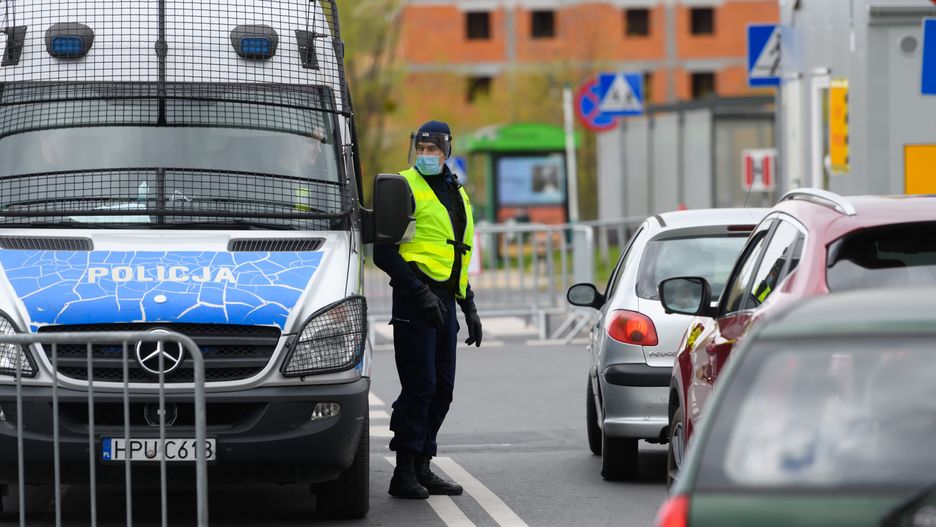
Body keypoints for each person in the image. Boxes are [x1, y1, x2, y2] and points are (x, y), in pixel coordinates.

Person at [373, 120, 483, 500]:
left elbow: (456, 255)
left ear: (446, 150)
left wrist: (469, 306)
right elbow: (384, 253)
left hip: (445, 301)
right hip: (414, 299)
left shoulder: (455, 190)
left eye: (432, 149)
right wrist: (420, 293)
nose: (425, 155)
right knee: (420, 388)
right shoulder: (402, 186)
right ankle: (403, 471)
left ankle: (423, 464)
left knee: (442, 390)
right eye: (420, 149)